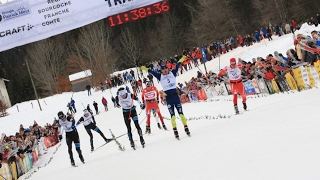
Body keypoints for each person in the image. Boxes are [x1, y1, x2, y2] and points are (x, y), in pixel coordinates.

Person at [140, 55, 190, 139]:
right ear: (161, 71)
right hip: (169, 98)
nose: (165, 70)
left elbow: (178, 64)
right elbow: (150, 71)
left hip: (175, 97)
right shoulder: (160, 76)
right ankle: (175, 131)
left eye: (166, 68)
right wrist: (141, 67)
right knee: (173, 116)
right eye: (163, 69)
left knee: (181, 115)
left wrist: (184, 56)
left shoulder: (172, 73)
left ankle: (186, 128)